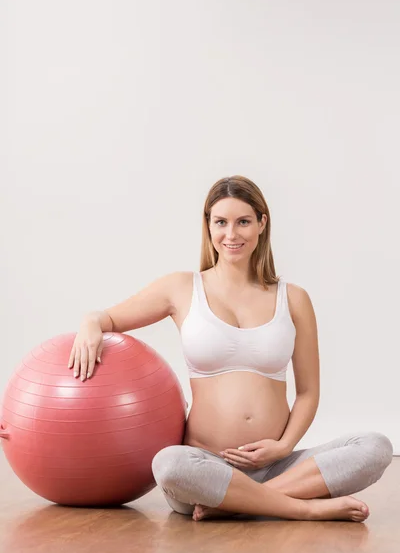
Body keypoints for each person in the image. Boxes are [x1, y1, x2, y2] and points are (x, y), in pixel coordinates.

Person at [68, 175, 393, 523]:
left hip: (278, 467)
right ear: (208, 226)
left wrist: (283, 448)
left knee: (375, 446)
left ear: (262, 224)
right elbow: (108, 318)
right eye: (221, 222)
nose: (232, 234)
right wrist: (90, 322)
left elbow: (309, 392)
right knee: (168, 464)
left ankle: (240, 503)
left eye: (243, 222)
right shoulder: (181, 287)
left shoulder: (293, 298)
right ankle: (302, 507)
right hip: (205, 466)